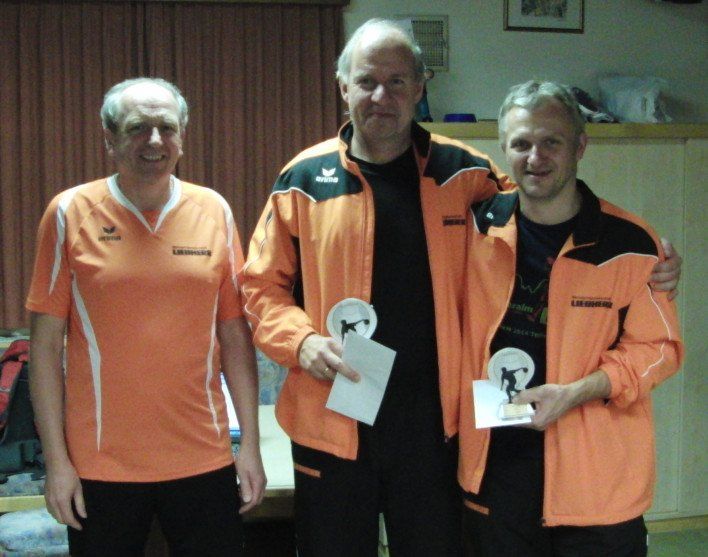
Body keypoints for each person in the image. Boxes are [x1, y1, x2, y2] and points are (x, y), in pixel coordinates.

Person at [240, 18, 511, 556]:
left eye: (396, 81)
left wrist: (651, 263)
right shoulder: (303, 179)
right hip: (332, 419)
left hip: (436, 427)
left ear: (420, 86)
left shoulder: (468, 174)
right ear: (343, 87)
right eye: (366, 81)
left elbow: (544, 233)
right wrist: (301, 342)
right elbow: (259, 286)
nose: (381, 96)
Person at [26, 77, 265, 556]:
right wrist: (57, 462)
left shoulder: (214, 210)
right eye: (138, 127)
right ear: (109, 138)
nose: (154, 141)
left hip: (204, 456)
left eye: (166, 127)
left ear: (182, 137)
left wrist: (251, 448)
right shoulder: (68, 212)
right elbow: (45, 350)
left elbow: (235, 338)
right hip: (100, 466)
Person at [457, 80, 684, 557]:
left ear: (580, 146)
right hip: (495, 471)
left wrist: (577, 392)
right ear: (504, 149)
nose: (535, 156)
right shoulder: (473, 230)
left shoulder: (630, 243)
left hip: (597, 484)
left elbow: (659, 351)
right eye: (521, 143)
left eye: (551, 142)